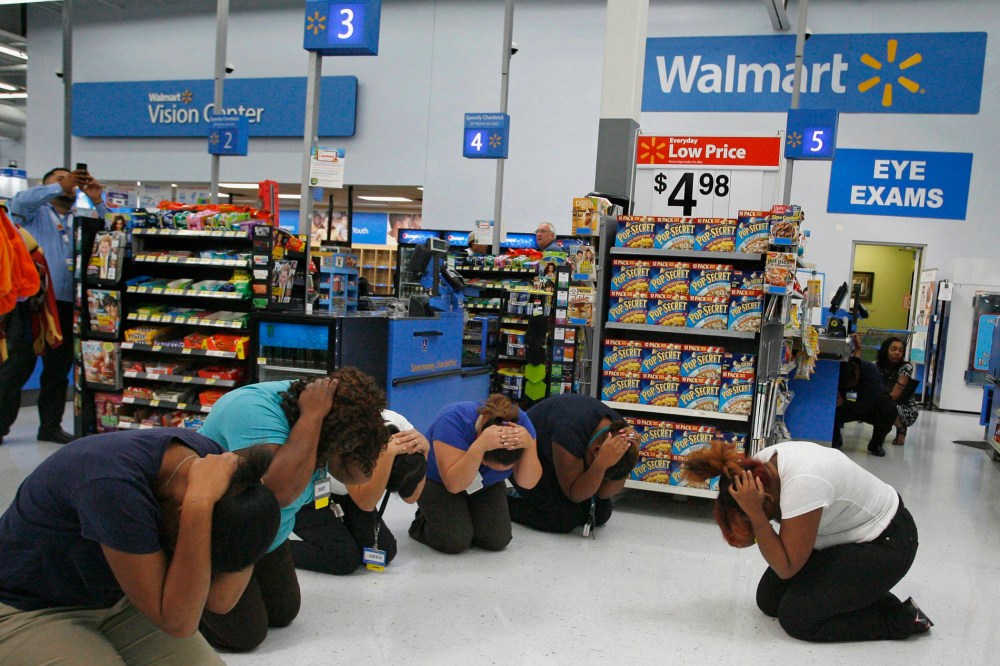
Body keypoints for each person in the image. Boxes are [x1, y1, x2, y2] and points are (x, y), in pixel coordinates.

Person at [0, 428, 281, 664]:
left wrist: (221, 510)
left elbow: (219, 601)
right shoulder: (112, 485)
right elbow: (178, 624)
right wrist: (198, 505)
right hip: (26, 606)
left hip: (118, 599)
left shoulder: (222, 470)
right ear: (184, 511)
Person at [196, 370, 388, 652]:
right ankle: (176, 599)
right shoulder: (252, 410)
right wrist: (312, 417)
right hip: (220, 536)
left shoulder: (347, 418)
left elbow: (356, 476)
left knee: (283, 613)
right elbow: (278, 494)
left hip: (268, 534)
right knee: (245, 636)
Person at [683, 439, 931, 642]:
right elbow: (767, 553)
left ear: (766, 500)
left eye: (748, 517)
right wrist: (753, 520)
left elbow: (787, 567)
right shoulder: (758, 471)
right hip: (837, 538)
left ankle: (901, 619)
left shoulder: (803, 484)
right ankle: (860, 591)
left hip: (887, 542)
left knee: (799, 620)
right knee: (770, 601)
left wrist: (757, 517)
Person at [2, 166, 106, 444]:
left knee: (58, 370)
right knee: (18, 366)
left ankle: (50, 426)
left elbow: (109, 234)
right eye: (60, 180)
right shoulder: (31, 213)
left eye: (71, 180)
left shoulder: (80, 215)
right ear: (47, 187)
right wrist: (59, 187)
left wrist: (96, 200)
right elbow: (20, 201)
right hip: (32, 304)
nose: (69, 185)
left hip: (69, 305)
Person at [290, 409, 429, 575]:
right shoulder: (352, 434)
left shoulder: (403, 429)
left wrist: (425, 451)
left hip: (344, 494)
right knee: (343, 558)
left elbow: (411, 498)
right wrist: (387, 454)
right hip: (306, 491)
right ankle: (272, 550)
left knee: (385, 550)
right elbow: (365, 503)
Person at [408, 394, 541, 554]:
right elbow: (454, 485)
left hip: (487, 483)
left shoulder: (521, 423)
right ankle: (422, 521)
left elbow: (528, 483)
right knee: (455, 541)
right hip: (437, 481)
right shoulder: (452, 419)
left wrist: (529, 446)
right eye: (488, 465)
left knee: (497, 540)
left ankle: (463, 515)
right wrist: (478, 447)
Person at [508, 394, 639, 534]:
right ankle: (508, 502)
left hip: (557, 457)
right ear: (596, 450)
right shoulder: (568, 430)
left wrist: (634, 451)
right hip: (526, 460)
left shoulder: (622, 435)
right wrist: (600, 465)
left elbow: (604, 493)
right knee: (563, 519)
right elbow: (574, 494)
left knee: (600, 513)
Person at [833, 356, 897, 456]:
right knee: (830, 406)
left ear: (857, 373)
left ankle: (876, 443)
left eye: (852, 384)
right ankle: (834, 438)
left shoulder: (872, 372)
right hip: (846, 406)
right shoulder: (838, 369)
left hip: (869, 407)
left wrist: (845, 402)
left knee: (888, 407)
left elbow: (867, 404)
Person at [876, 337, 919, 447]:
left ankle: (901, 428)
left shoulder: (906, 367)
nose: (897, 353)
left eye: (900, 350)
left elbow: (895, 395)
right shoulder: (877, 365)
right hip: (885, 402)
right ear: (886, 350)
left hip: (906, 409)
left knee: (885, 405)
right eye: (893, 349)